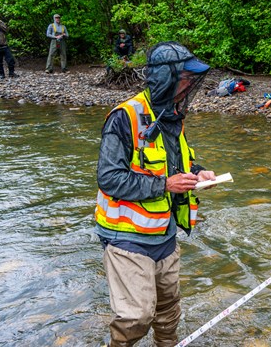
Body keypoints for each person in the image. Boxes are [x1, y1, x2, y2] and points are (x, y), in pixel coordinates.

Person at [95, 41, 216, 346]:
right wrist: (165, 185)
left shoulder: (173, 116)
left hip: (165, 234)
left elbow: (177, 163)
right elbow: (109, 178)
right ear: (167, 79)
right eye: (185, 78)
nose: (190, 85)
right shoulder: (124, 118)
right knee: (135, 317)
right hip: (126, 237)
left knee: (168, 313)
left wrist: (198, 172)